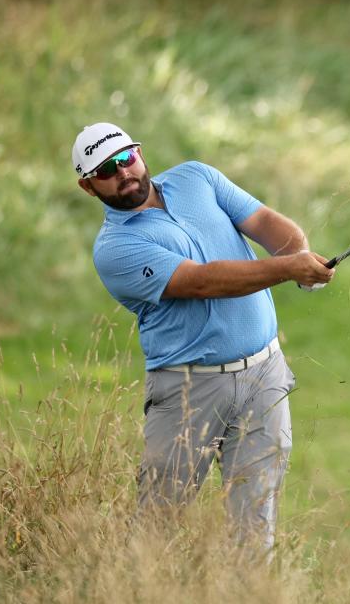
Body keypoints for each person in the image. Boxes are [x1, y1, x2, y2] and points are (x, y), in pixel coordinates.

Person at [71, 122, 334, 557]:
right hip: (187, 391)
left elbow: (265, 222)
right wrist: (289, 269)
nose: (123, 173)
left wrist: (296, 256)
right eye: (106, 171)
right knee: (159, 524)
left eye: (126, 158)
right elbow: (201, 283)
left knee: (256, 523)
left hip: (263, 375)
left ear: (139, 152)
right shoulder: (115, 248)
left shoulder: (197, 177)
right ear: (88, 187)